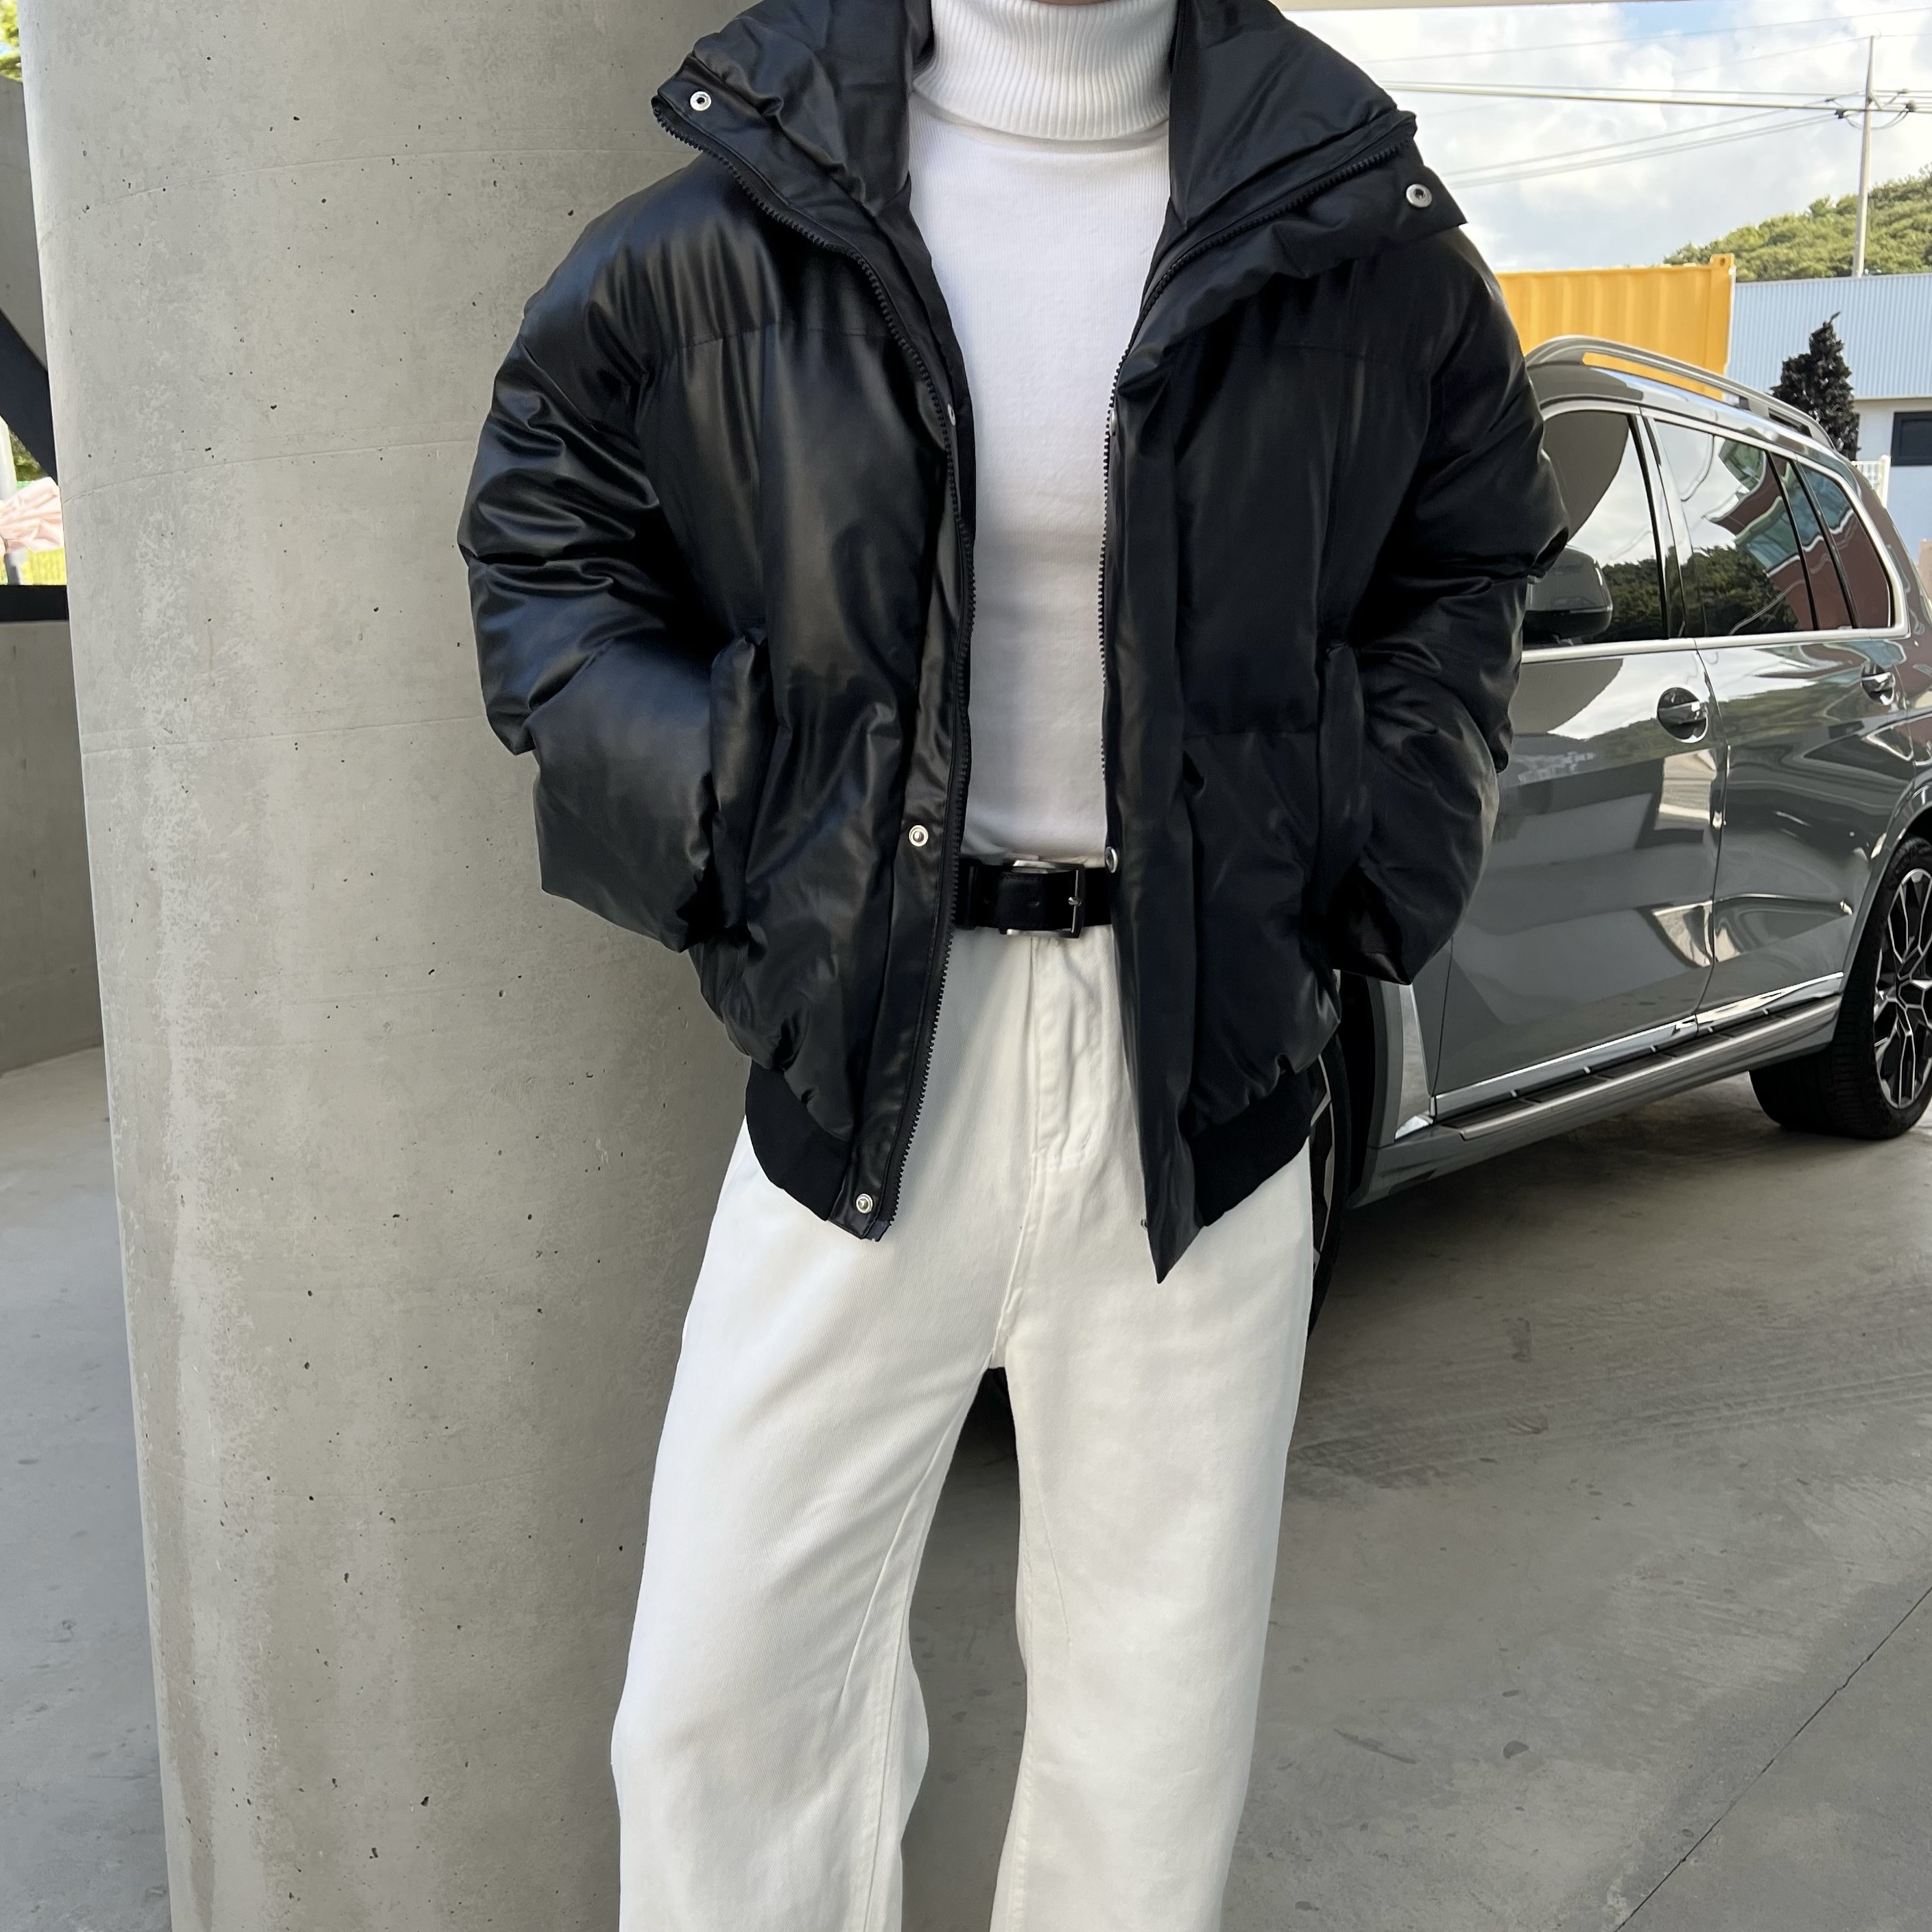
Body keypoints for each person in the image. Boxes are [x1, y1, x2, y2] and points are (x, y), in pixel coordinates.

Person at [459, 0, 1565, 1920]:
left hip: (1201, 1066)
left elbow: (1466, 564)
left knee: (1149, 1736)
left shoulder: (1359, 244)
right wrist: (734, 815)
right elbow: (544, 538)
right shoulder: (733, 228)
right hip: (865, 1039)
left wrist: (1360, 835)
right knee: (717, 1711)